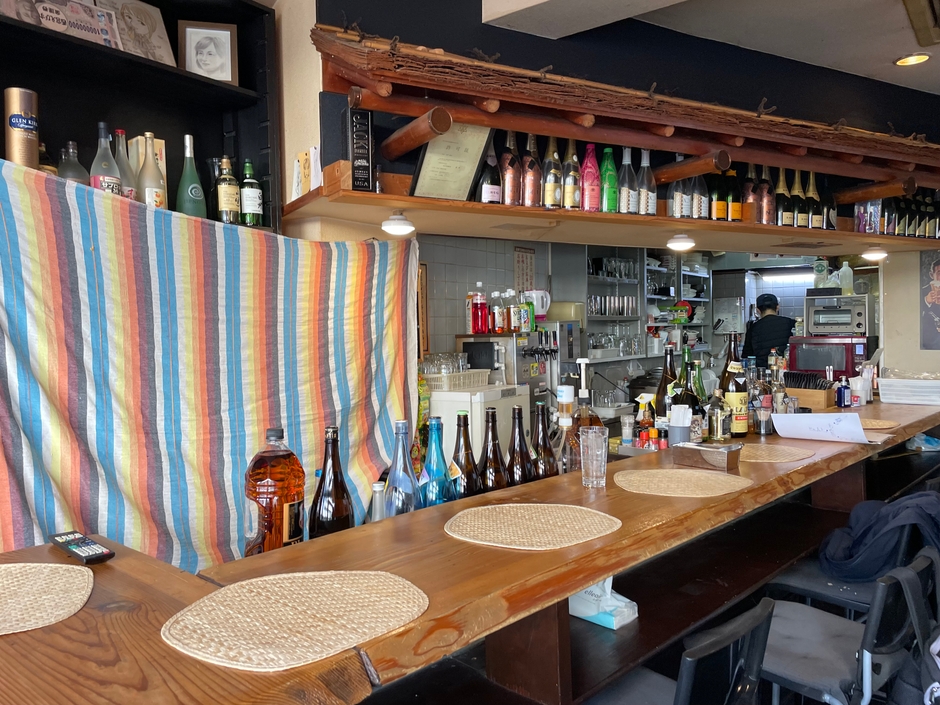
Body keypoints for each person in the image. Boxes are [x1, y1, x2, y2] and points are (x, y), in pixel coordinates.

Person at [742, 293, 794, 368]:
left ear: (758, 310)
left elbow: (746, 356)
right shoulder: (790, 323)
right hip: (786, 370)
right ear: (777, 307)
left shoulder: (753, 328)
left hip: (761, 372)